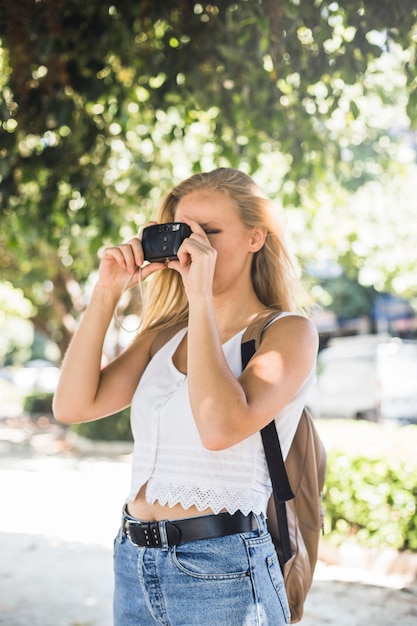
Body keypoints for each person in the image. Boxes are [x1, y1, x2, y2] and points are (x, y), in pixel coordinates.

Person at [53, 167, 318, 626]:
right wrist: (107, 291)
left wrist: (200, 297)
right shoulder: (165, 337)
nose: (194, 247)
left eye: (210, 232)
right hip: (134, 561)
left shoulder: (288, 333)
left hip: (225, 573)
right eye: (184, 233)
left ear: (257, 237)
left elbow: (219, 428)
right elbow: (73, 406)